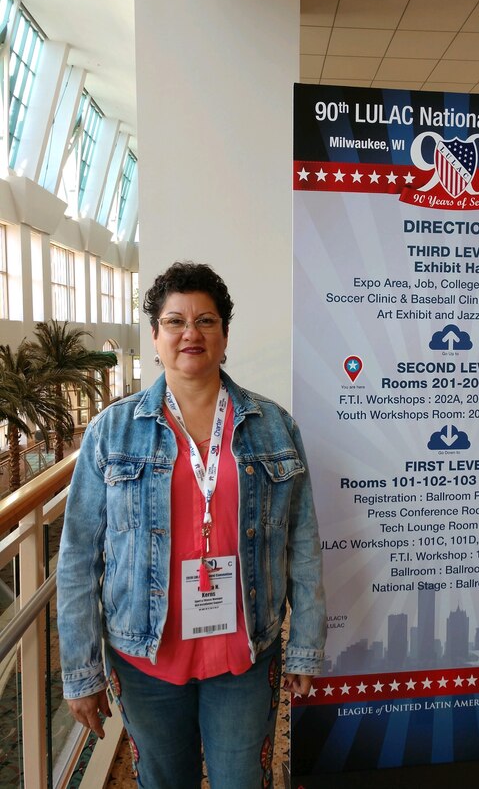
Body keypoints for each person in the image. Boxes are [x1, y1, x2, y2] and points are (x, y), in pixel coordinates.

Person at [57, 261, 326, 789]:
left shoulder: (273, 425)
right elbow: (78, 556)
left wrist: (306, 643)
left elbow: (304, 540)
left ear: (225, 336)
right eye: (175, 320)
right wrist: (81, 672)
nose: (191, 333)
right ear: (155, 336)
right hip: (145, 656)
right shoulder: (111, 430)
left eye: (206, 320)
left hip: (245, 652)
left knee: (242, 780)